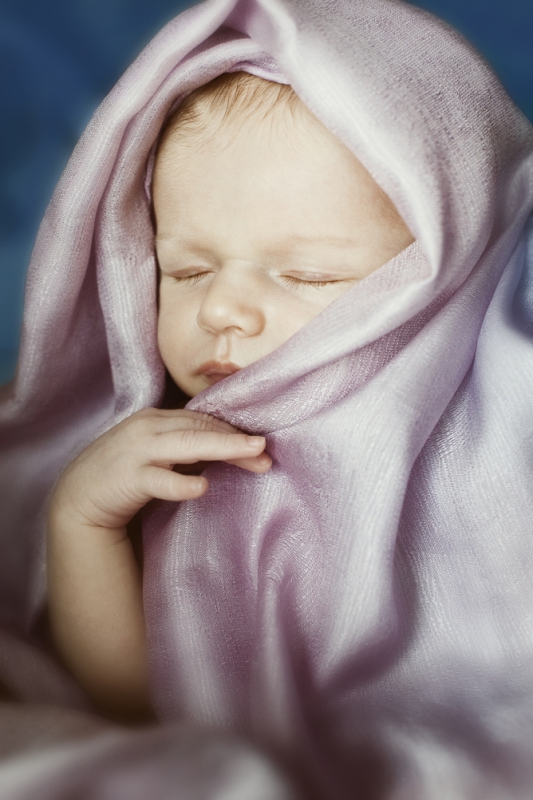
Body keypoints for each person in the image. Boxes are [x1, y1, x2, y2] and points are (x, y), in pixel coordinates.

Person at [1, 0, 533, 797]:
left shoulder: (499, 434)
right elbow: (134, 710)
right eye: (186, 271)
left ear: (448, 275)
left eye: (306, 276)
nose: (222, 310)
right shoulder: (176, 445)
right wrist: (85, 522)